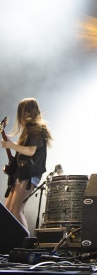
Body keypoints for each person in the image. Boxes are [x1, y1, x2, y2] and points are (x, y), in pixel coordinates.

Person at [1, 98, 52, 231]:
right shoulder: (31, 129)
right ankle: (12, 242)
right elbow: (25, 151)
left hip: (29, 174)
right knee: (8, 211)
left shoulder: (35, 128)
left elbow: (31, 151)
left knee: (16, 210)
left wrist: (10, 145)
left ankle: (25, 242)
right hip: (22, 173)